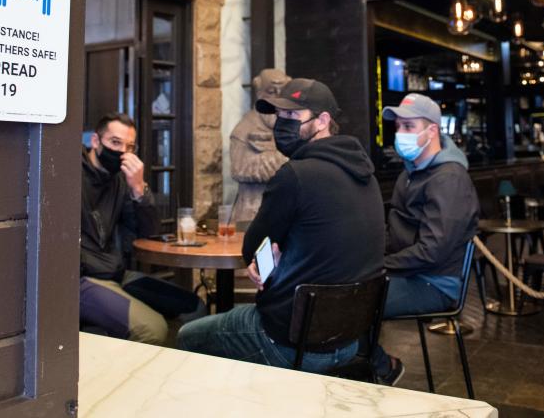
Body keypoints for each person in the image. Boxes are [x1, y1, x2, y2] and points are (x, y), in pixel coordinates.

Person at [178, 78, 385, 372]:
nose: (282, 124)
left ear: (323, 120)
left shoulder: (295, 175)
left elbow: (253, 248)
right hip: (350, 341)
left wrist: (269, 259)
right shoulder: (367, 175)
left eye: (292, 116)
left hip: (290, 342)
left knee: (188, 337)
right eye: (280, 116)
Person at [372, 93, 478, 385]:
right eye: (398, 127)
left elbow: (432, 251)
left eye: (409, 126)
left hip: (435, 283)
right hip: (411, 273)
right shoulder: (412, 172)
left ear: (431, 131)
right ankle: (360, 369)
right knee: (343, 288)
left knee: (352, 302)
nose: (400, 134)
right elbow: (394, 233)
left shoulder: (448, 178)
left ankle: (380, 366)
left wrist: (379, 265)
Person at [80, 112, 202, 345]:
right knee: (153, 329)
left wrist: (139, 190)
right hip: (81, 279)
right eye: (115, 142)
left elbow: (149, 232)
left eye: (129, 147)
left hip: (116, 273)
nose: (122, 153)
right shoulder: (73, 174)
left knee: (194, 308)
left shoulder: (120, 180)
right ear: (96, 141)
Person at [228, 68, 291, 223]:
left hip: (285, 213)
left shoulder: (293, 126)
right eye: (271, 91)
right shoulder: (245, 127)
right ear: (259, 94)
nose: (277, 97)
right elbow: (239, 168)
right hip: (253, 214)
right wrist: (283, 161)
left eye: (282, 92)